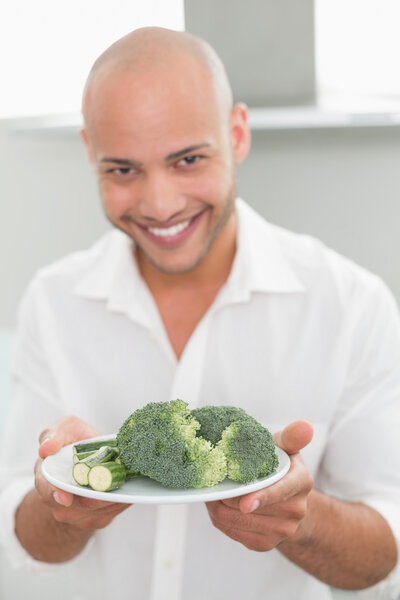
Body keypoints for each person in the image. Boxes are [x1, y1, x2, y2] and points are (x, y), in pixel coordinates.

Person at [1, 26, 400, 600]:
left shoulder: (352, 305)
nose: (160, 205)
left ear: (236, 135)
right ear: (90, 152)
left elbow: (385, 553)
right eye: (122, 169)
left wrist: (301, 519)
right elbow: (22, 531)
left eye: (187, 159)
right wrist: (58, 503)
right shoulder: (52, 301)